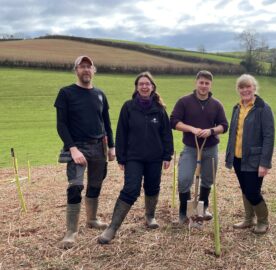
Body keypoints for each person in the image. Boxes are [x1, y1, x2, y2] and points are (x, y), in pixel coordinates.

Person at [98, 71, 173, 244]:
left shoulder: (160, 109)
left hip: (155, 157)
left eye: (147, 84)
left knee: (153, 186)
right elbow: (121, 133)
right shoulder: (128, 107)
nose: (145, 86)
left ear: (153, 87)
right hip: (134, 157)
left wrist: (167, 155)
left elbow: (166, 134)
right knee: (131, 189)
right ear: (137, 87)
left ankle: (150, 216)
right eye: (141, 84)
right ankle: (112, 228)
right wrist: (121, 158)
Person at [54, 55, 116, 249]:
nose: (86, 70)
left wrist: (112, 147)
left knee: (96, 184)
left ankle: (92, 219)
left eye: (89, 67)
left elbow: (106, 122)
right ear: (76, 70)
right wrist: (72, 149)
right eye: (82, 66)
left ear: (94, 70)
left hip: (99, 145)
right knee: (75, 186)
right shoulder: (66, 93)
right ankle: (71, 232)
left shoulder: (100, 94)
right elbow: (61, 125)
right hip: (77, 146)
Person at [170, 70, 228, 225]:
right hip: (190, 147)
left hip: (210, 148)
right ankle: (184, 213)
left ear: (210, 85)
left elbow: (224, 126)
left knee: (208, 180)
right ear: (196, 83)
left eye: (207, 83)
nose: (203, 86)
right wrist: (192, 129)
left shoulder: (216, 104)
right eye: (201, 82)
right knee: (184, 179)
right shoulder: (184, 102)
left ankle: (202, 211)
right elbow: (174, 121)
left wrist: (211, 131)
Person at [225, 74, 275, 234]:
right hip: (238, 158)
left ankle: (263, 221)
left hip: (255, 159)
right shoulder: (236, 108)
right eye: (242, 87)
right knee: (245, 189)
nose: (245, 90)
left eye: (248, 86)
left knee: (253, 191)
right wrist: (230, 156)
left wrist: (264, 163)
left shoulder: (263, 108)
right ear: (238, 90)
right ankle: (248, 219)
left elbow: (269, 136)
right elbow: (234, 133)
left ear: (254, 88)